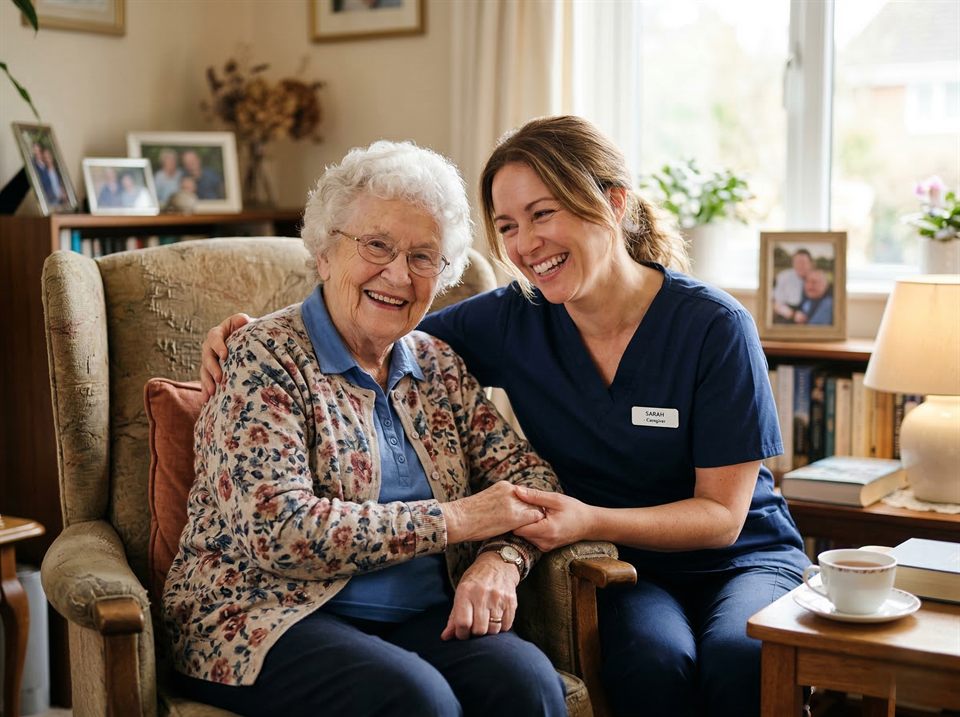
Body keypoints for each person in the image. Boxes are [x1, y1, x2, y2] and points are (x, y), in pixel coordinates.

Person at [200, 116, 809, 717]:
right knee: (651, 661)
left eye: (544, 213)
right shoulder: (511, 317)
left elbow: (716, 517)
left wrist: (509, 552)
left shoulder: (711, 325)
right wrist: (253, 333)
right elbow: (360, 323)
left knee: (739, 656)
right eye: (509, 225)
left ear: (615, 204)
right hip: (625, 566)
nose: (525, 245)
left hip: (734, 552)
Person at [166, 139, 567, 717]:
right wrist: (459, 519)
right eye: (377, 245)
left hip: (421, 618)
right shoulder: (263, 357)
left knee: (527, 683)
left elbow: (532, 480)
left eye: (424, 257)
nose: (398, 275)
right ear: (325, 253)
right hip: (266, 618)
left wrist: (501, 559)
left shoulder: (436, 363)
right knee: (414, 700)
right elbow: (280, 530)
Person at [771, 248, 813, 323]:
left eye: (803, 262)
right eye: (797, 262)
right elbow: (777, 305)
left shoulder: (816, 277)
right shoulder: (784, 277)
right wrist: (793, 315)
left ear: (810, 264)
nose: (800, 266)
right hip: (788, 315)